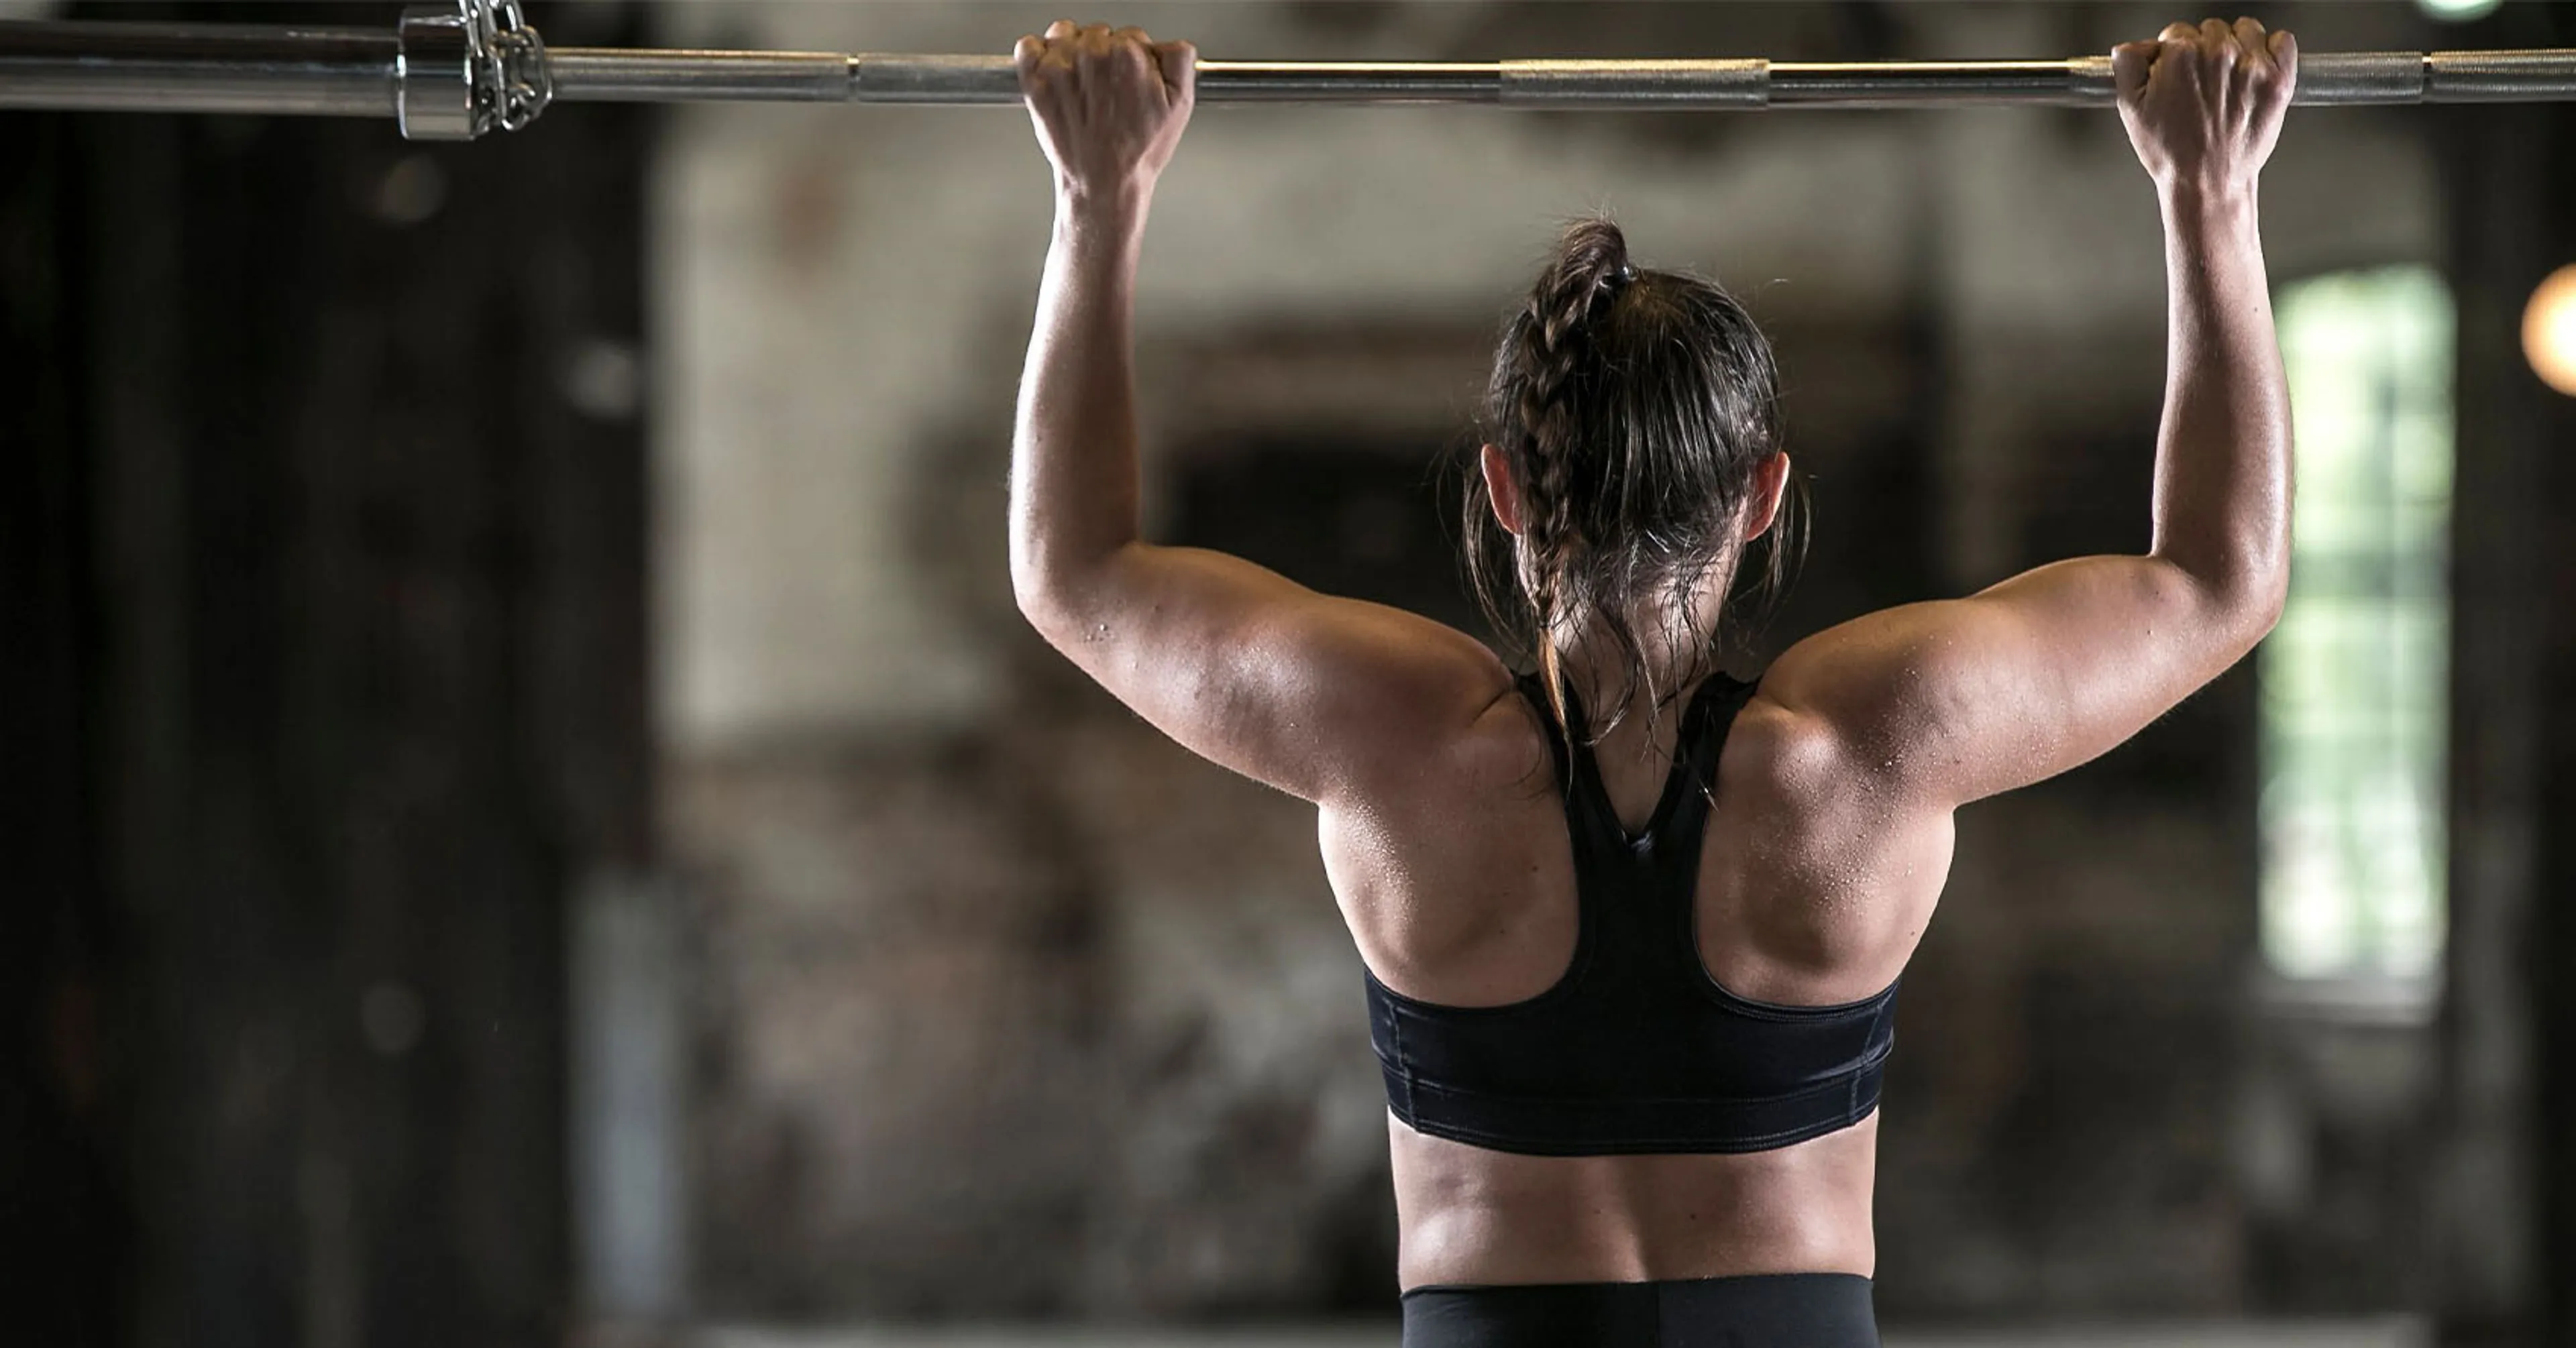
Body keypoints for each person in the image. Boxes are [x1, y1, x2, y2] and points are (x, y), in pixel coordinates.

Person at [1009, 16, 2297, 1347]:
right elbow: (2219, 579)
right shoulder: (1864, 747)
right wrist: (2210, 192)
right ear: (1761, 498)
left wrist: (1100, 194)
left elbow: (1075, 570)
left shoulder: (1401, 744)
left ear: (1506, 492)